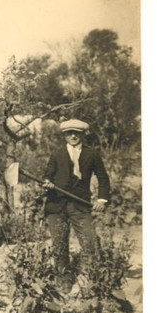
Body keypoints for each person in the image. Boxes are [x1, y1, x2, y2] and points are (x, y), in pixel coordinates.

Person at [42, 119, 111, 286]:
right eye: (69, 133)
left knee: (89, 242)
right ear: (64, 135)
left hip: (80, 205)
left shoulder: (92, 153)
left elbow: (103, 178)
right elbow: (47, 176)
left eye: (77, 133)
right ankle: (63, 282)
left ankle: (90, 281)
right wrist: (47, 184)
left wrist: (102, 199)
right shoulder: (57, 154)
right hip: (56, 205)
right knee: (59, 245)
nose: (73, 136)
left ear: (83, 134)